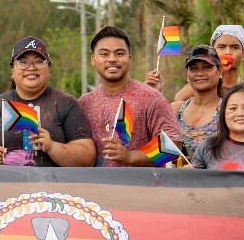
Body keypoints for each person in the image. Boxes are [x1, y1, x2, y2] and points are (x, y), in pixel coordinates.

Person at [0, 36, 96, 167]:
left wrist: (52, 147)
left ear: (49, 68)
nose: (31, 67)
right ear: (12, 70)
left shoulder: (67, 104)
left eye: (39, 61)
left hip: (55, 185)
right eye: (23, 62)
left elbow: (87, 157)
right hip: (6, 185)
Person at [75, 27, 179, 166]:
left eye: (119, 53)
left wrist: (130, 156)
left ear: (129, 59)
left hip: (140, 186)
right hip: (96, 186)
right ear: (93, 60)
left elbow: (173, 146)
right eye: (104, 54)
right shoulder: (84, 103)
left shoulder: (151, 98)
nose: (112, 59)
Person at [163, 24, 244, 107]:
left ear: (243, 55)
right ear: (213, 52)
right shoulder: (201, 84)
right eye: (221, 47)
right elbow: (177, 103)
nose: (227, 52)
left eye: (234, 47)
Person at [168, 46, 226, 151]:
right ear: (187, 73)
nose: (199, 73)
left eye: (206, 67)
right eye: (193, 68)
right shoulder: (175, 110)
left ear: (220, 71)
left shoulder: (228, 111)